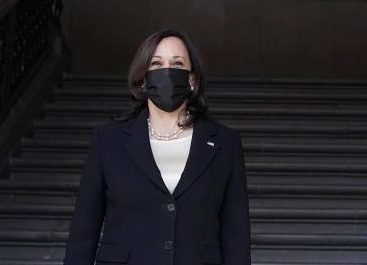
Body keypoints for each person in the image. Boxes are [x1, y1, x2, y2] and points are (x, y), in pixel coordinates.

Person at [64, 29, 250, 265]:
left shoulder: (225, 144)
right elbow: (83, 232)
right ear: (143, 78)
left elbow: (236, 238)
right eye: (156, 63)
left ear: (192, 78)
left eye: (177, 63)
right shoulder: (107, 141)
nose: (167, 71)